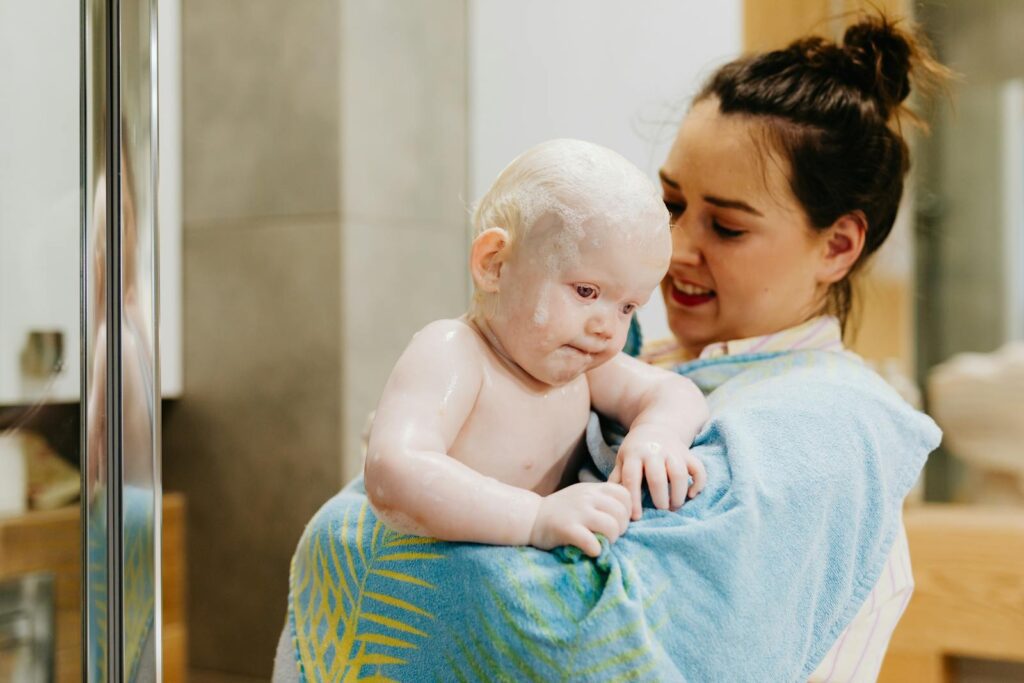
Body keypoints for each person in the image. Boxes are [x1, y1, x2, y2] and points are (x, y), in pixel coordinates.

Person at [277, 14, 944, 682]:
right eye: (672, 203)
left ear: (837, 244)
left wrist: (361, 531)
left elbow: (596, 631)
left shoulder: (817, 428)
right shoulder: (596, 356)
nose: (677, 248)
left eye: (727, 226)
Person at [364, 138, 708, 559]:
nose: (606, 328)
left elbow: (676, 392)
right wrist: (533, 517)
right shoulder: (456, 352)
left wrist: (657, 436)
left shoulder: (583, 364)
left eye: (627, 307)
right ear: (495, 264)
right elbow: (393, 470)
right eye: (586, 291)